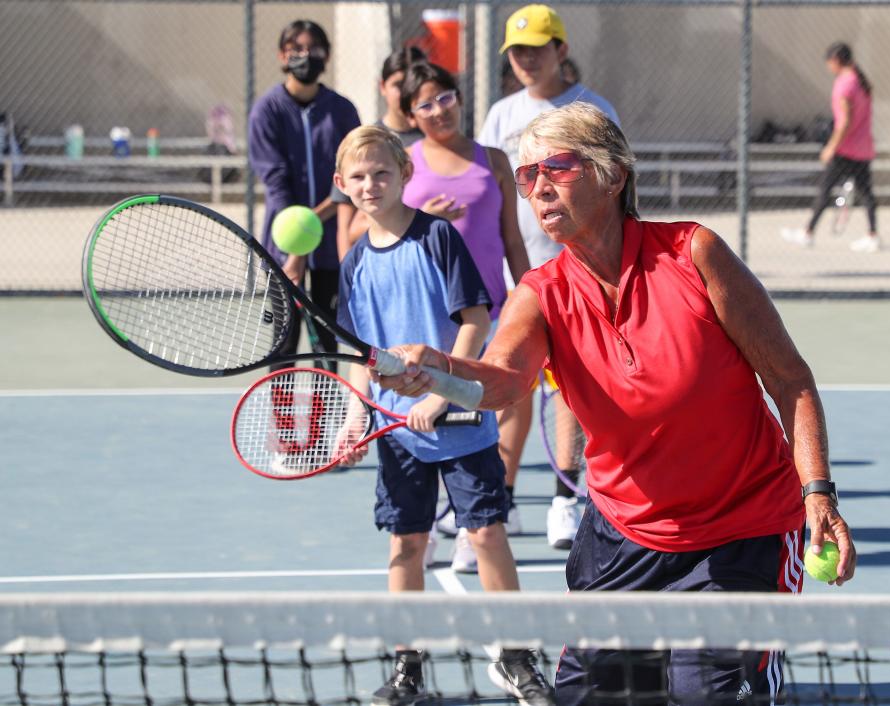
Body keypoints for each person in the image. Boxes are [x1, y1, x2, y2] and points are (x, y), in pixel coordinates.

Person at [374, 102, 858, 704]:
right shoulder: (542, 293)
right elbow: (498, 382)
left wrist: (818, 495)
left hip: (741, 534)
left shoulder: (693, 253)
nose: (539, 186)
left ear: (613, 174)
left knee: (704, 694)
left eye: (558, 166)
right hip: (623, 539)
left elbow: (791, 380)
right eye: (527, 176)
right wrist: (439, 369)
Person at [332, 125, 554, 706]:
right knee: (406, 546)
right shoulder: (355, 264)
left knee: (485, 534)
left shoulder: (436, 238)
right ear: (342, 185)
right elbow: (362, 356)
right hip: (398, 434)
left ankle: (515, 657)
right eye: (358, 176)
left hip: (457, 420)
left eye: (382, 172)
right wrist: (358, 418)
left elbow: (476, 320)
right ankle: (408, 667)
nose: (370, 184)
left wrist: (439, 392)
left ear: (404, 175)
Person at [478, 3, 621, 551]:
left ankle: (565, 496)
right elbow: (491, 191)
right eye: (516, 51)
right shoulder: (500, 113)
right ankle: (504, 495)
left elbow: (615, 189)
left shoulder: (593, 110)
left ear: (561, 50)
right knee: (510, 385)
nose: (526, 59)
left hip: (581, 271)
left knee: (572, 388)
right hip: (520, 274)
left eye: (537, 48)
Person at [399, 61, 531, 572]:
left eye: (445, 98)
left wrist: (529, 294)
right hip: (431, 317)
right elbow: (385, 233)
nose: (439, 111)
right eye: (425, 104)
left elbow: (512, 239)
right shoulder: (405, 165)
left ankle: (477, 515)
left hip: (493, 308)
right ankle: (430, 522)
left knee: (500, 405)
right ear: (411, 114)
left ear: (459, 97)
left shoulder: (494, 160)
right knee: (433, 417)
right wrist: (428, 223)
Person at [248, 20, 360, 368]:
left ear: (326, 56)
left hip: (330, 243)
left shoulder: (342, 110)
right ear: (282, 55)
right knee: (283, 340)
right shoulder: (267, 110)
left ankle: (319, 421)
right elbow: (275, 180)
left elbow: (350, 172)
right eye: (296, 48)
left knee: (327, 342)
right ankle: (281, 422)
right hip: (282, 243)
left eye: (313, 48)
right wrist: (294, 246)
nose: (305, 55)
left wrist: (315, 223)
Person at [782, 42, 879, 252]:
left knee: (825, 190)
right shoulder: (861, 82)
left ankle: (807, 233)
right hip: (863, 148)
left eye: (829, 63)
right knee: (866, 193)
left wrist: (831, 147)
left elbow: (844, 122)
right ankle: (873, 235)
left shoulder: (845, 84)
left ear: (835, 61)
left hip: (846, 150)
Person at [334, 46, 428, 261]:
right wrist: (347, 278)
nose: (405, 93)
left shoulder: (437, 142)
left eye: (413, 85)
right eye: (398, 85)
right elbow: (345, 227)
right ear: (382, 86)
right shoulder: (364, 142)